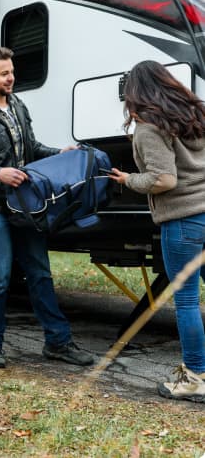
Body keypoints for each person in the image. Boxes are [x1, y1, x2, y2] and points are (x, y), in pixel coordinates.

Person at [0, 46, 94, 369]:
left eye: (12, 72)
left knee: (40, 272)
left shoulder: (17, 105)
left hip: (24, 206)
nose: (11, 77)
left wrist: (62, 152)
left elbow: (31, 148)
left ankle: (57, 342)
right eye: (4, 73)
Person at [109, 60, 205, 403]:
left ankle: (194, 377)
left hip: (183, 221)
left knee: (187, 302)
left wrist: (128, 180)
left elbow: (164, 179)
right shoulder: (197, 115)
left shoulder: (150, 127)